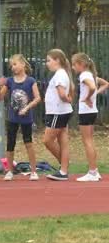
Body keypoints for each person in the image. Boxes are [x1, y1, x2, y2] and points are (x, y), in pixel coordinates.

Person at [0, 54, 42, 181]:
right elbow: (0, 98)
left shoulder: (31, 81)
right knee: (10, 144)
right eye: (11, 65)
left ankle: (33, 171)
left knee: (29, 143)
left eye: (15, 64)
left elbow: (38, 98)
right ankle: (10, 171)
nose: (13, 67)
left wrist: (27, 108)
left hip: (26, 118)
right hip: (12, 118)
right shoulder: (10, 81)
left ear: (23, 64)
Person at [71, 53, 109, 182]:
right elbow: (106, 84)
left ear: (81, 64)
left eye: (74, 64)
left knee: (87, 142)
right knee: (90, 141)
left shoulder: (84, 75)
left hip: (86, 112)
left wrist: (88, 97)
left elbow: (92, 87)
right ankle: (95, 171)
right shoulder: (91, 75)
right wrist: (94, 95)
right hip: (92, 111)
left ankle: (92, 172)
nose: (73, 67)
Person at [43, 49, 74, 181]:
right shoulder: (61, 74)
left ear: (57, 60)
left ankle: (64, 166)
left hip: (57, 112)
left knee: (47, 140)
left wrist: (67, 99)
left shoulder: (60, 75)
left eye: (49, 60)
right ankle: (64, 170)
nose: (47, 63)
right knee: (63, 141)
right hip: (61, 112)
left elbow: (62, 95)